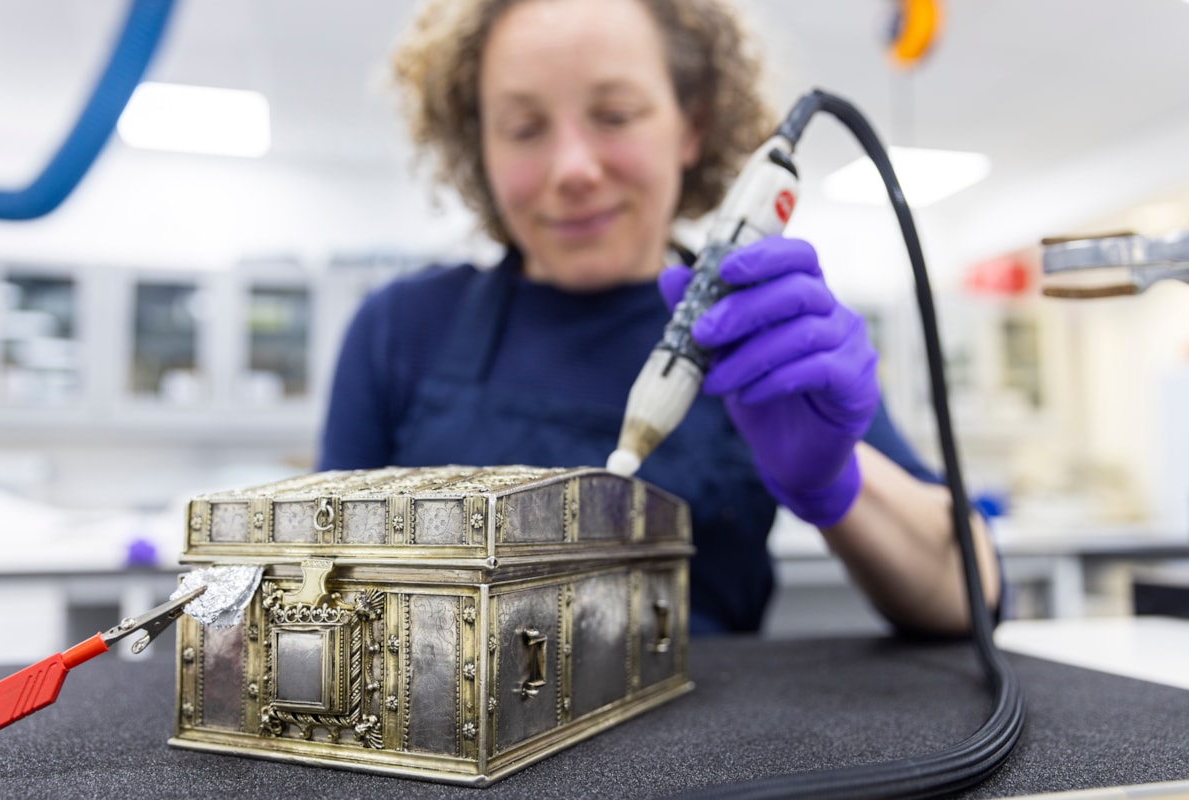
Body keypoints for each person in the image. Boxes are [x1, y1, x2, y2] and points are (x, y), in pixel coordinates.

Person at [319, 0, 1001, 636]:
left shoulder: (763, 327)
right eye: (524, 128)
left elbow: (971, 595)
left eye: (614, 115)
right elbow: (319, 592)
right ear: (481, 147)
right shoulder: (398, 330)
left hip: (716, 758)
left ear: (692, 126)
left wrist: (836, 479)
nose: (574, 168)